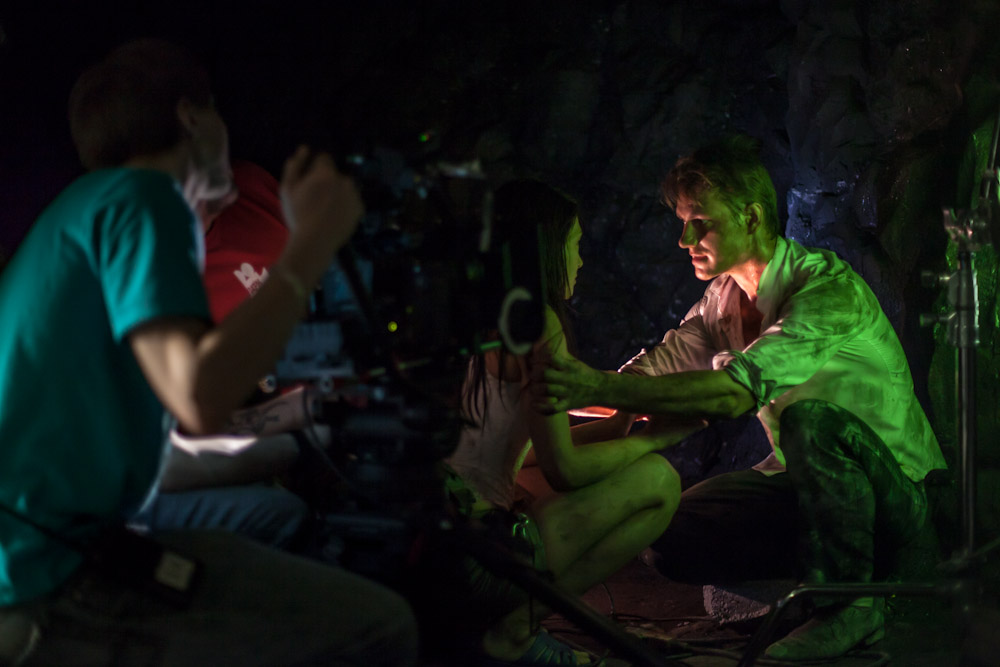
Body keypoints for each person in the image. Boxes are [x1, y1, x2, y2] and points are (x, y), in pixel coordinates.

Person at [0, 38, 417, 666]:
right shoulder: (143, 200)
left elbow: (168, 435)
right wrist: (312, 243)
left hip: (56, 548)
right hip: (49, 575)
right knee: (380, 627)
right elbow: (198, 398)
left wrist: (299, 423)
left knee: (262, 538)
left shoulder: (87, 213)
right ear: (192, 116)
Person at [532, 135, 947, 660]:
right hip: (804, 489)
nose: (685, 239)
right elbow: (644, 378)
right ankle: (814, 587)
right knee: (671, 533)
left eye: (700, 222)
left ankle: (851, 609)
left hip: (901, 497)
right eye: (683, 222)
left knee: (811, 422)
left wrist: (599, 389)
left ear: (751, 217)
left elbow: (731, 395)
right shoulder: (722, 299)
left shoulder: (826, 289)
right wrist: (550, 386)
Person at [445, 179, 700, 666]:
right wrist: (656, 439)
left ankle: (495, 625)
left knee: (539, 480)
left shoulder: (483, 312)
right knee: (659, 480)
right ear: (546, 248)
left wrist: (620, 420)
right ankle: (515, 629)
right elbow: (564, 471)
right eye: (575, 244)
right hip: (479, 562)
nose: (580, 261)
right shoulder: (538, 324)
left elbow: (528, 457)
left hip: (441, 543)